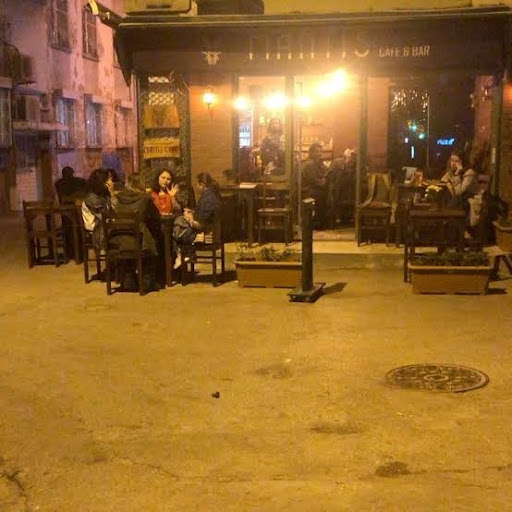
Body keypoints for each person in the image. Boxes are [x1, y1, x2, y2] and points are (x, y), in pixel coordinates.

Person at [111, 173, 163, 291]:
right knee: (156, 239)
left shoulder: (118, 198)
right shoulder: (145, 199)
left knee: (134, 241)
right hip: (139, 240)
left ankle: (128, 279)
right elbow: (155, 218)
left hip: (118, 239)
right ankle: (147, 280)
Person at [172, 172, 222, 268]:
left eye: (197, 184)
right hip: (210, 229)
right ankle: (187, 254)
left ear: (202, 185)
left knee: (176, 228)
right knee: (179, 224)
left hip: (206, 233)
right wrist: (192, 213)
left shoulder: (207, 199)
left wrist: (189, 217)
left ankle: (184, 254)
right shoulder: (212, 195)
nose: (196, 187)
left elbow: (199, 224)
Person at [81, 168, 113, 246]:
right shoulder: (92, 198)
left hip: (104, 228)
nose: (111, 182)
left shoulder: (102, 196)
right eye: (109, 180)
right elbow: (105, 215)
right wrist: (112, 195)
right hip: (96, 231)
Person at [302, 143, 330, 229]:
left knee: (325, 192)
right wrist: (324, 179)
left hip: (310, 188)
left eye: (321, 151)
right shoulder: (310, 164)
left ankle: (321, 220)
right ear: (311, 153)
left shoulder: (316, 163)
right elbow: (316, 181)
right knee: (322, 194)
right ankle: (319, 222)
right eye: (317, 151)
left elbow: (327, 171)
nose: (319, 154)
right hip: (305, 190)